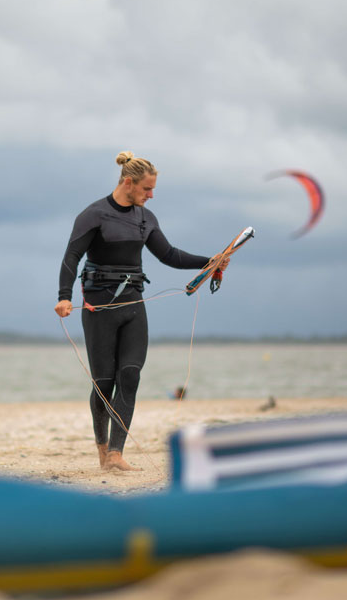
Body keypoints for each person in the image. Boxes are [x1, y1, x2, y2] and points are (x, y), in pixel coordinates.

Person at [55, 151, 229, 471]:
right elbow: (71, 257)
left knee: (130, 375)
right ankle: (102, 447)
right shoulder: (94, 215)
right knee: (104, 383)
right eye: (147, 189)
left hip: (134, 304)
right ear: (128, 183)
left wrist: (209, 261)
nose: (151, 195)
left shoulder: (146, 218)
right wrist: (64, 296)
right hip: (99, 308)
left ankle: (117, 454)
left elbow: (169, 255)